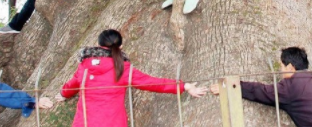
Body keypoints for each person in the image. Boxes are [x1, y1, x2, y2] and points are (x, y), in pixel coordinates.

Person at [56, 29, 206, 127]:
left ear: (98, 45)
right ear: (120, 47)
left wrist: (63, 94)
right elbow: (152, 83)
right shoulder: (122, 68)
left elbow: (73, 84)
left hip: (85, 123)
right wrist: (184, 86)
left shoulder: (85, 65)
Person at [211, 46, 312, 127]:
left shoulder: (291, 86)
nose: (280, 71)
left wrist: (232, 86)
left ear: (290, 67)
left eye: (281, 66)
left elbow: (262, 91)